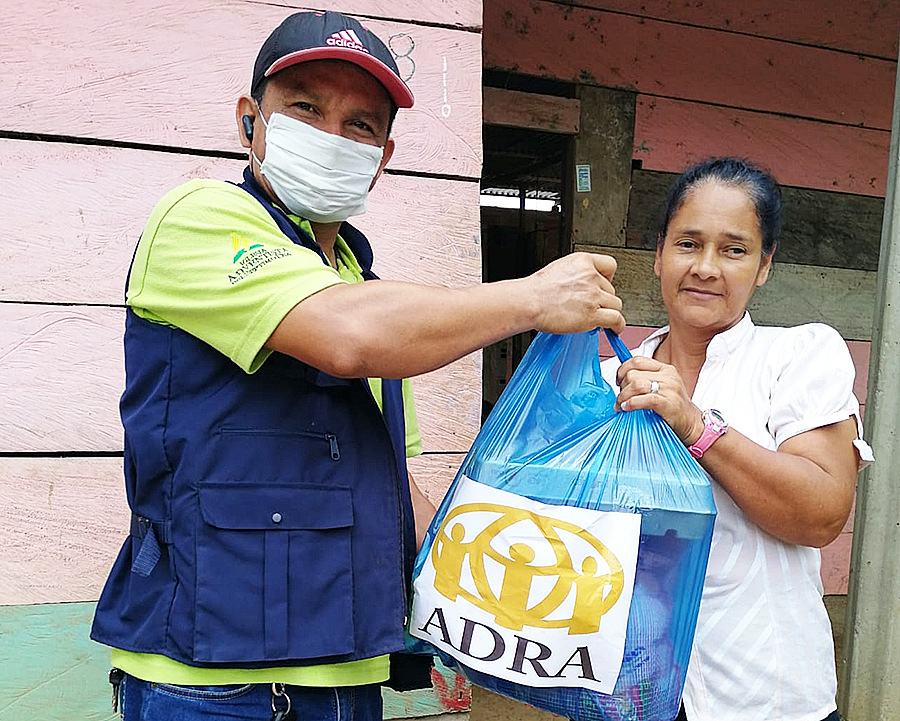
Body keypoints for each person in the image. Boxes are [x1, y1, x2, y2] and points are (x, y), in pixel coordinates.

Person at [89, 10, 626, 721]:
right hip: (208, 683)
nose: (331, 137)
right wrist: (531, 297)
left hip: (345, 681)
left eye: (360, 126)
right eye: (306, 108)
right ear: (251, 122)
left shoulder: (366, 290)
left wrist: (511, 582)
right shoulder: (198, 219)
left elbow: (390, 483)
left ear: (384, 156)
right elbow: (345, 335)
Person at [601, 157, 873, 721]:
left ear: (764, 266)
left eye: (734, 249)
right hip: (634, 689)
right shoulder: (612, 382)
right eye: (688, 243)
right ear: (658, 254)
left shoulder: (798, 357)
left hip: (762, 693)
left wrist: (697, 427)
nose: (705, 267)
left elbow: (821, 514)